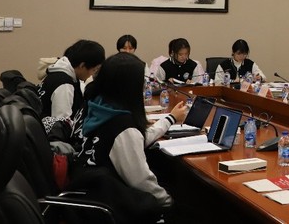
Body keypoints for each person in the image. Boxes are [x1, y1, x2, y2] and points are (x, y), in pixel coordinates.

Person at [74, 53, 182, 223]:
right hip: (105, 205)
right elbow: (141, 180)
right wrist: (169, 202)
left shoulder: (99, 106)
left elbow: (135, 140)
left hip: (86, 191)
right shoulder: (123, 127)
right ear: (129, 87)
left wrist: (170, 119)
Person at [38, 39, 105, 120]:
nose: (92, 75)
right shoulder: (64, 85)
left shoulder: (57, 73)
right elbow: (62, 122)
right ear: (82, 65)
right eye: (94, 70)